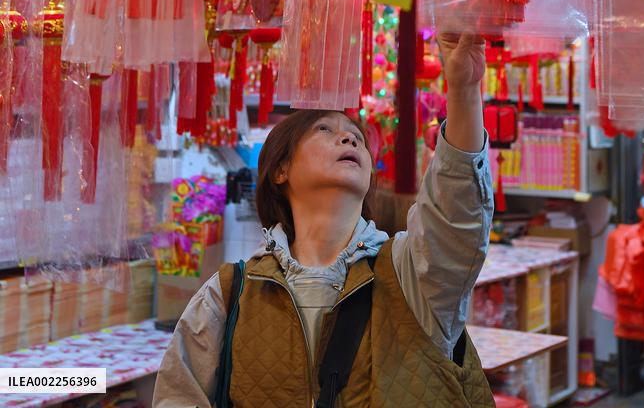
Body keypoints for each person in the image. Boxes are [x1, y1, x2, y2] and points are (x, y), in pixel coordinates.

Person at [154, 33, 495, 407]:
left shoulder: (410, 272)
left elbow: (456, 215)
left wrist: (464, 90)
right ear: (280, 168)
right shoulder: (230, 294)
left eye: (356, 138)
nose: (348, 140)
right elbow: (178, 396)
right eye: (325, 130)